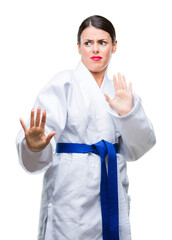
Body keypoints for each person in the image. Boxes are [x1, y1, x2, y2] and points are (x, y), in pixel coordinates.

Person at [16, 15, 156, 240]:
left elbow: (140, 147)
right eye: (88, 43)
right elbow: (43, 137)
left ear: (114, 46)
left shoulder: (121, 93)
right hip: (70, 188)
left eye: (102, 42)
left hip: (112, 184)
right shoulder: (64, 83)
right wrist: (35, 146)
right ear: (78, 47)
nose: (95, 49)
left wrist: (127, 114)